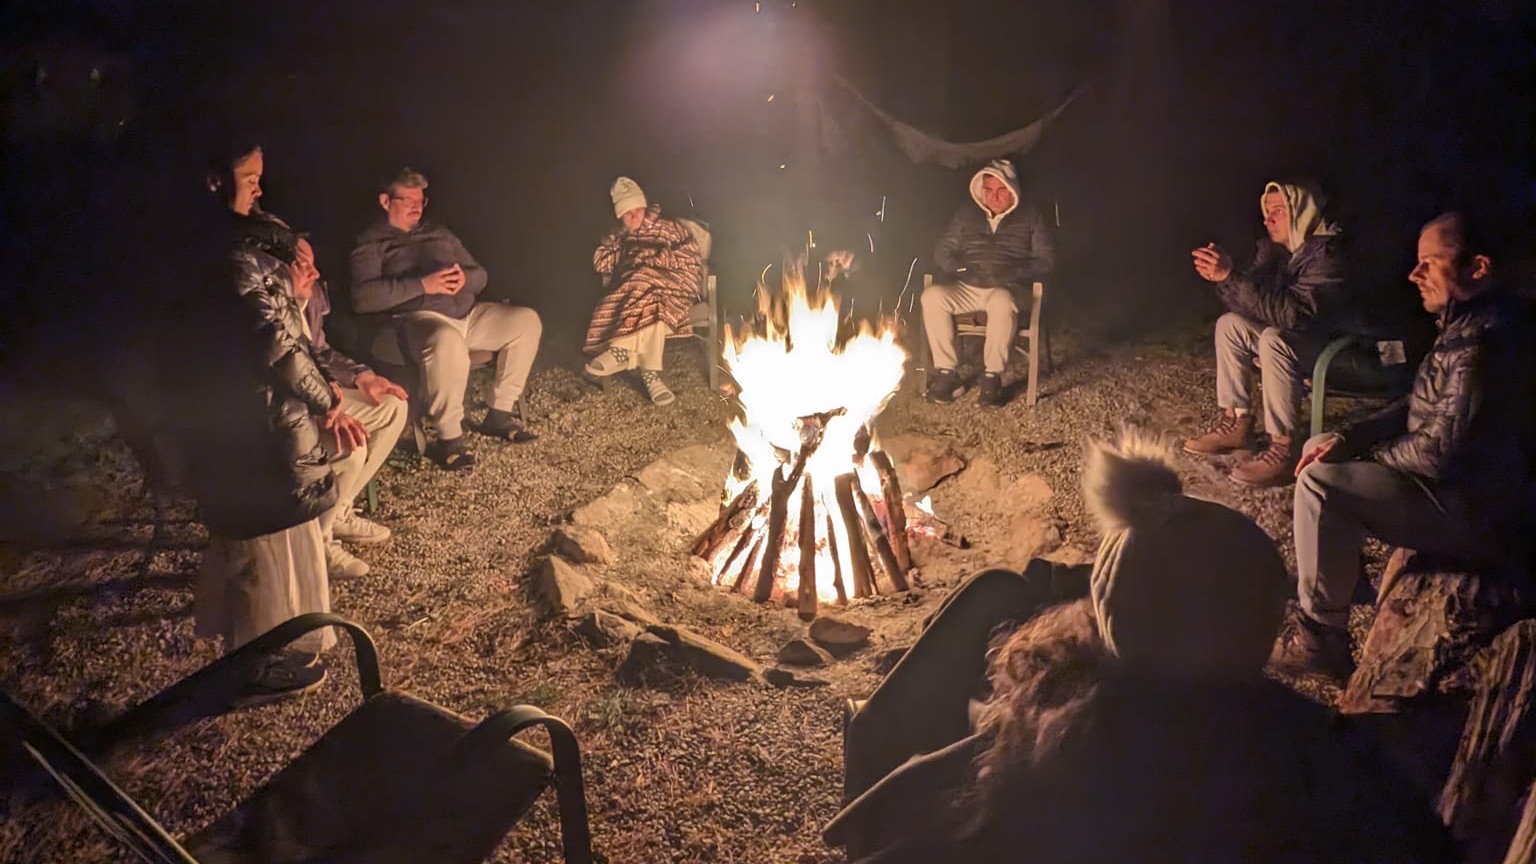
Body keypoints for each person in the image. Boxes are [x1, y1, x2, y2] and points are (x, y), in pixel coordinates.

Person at [825, 430, 1454, 863]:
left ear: (1111, 616)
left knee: (990, 596)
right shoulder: (1315, 749)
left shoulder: (1049, 741)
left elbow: (912, 828)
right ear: (1264, 618)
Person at [1272, 211, 1533, 680]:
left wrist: (1366, 455)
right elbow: (1418, 401)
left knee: (1321, 485)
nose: (1414, 274)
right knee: (1322, 443)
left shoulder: (1487, 344)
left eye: (1430, 262)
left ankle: (1320, 637)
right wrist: (1350, 437)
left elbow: (1438, 453)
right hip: (1462, 491)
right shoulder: (1469, 323)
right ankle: (1341, 577)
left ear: (1478, 267)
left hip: (1481, 514)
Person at [179, 142, 347, 705]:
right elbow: (273, 343)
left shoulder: (251, 243)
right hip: (245, 419)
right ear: (213, 180)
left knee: (284, 535)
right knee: (259, 543)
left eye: (259, 175)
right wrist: (325, 397)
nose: (258, 186)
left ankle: (280, 641)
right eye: (247, 176)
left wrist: (295, 295)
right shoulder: (226, 256)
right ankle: (250, 665)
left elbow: (284, 323)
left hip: (267, 413)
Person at [349, 167, 542, 471]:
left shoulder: (438, 233)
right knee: (445, 340)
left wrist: (465, 279)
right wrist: (422, 285)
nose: (417, 207)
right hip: (415, 321)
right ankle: (450, 439)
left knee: (526, 321)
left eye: (421, 200)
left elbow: (480, 275)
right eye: (409, 200)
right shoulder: (372, 243)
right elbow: (363, 298)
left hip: (466, 314)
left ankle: (499, 414)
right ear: (386, 201)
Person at [1183, 181, 1347, 487]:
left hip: (1338, 351)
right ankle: (1237, 422)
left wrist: (1230, 276)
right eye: (1266, 211)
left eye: (1278, 211)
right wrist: (1225, 279)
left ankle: (1284, 446)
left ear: (1303, 212)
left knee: (1274, 339)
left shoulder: (1329, 255)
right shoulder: (1279, 251)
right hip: (1301, 341)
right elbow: (1253, 308)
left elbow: (1293, 316)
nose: (1268, 219)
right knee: (1230, 324)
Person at [292, 236, 408, 579]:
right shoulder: (264, 309)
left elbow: (321, 352)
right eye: (301, 264)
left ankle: (339, 511)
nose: (313, 272)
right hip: (286, 408)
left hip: (319, 394)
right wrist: (324, 408)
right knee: (350, 447)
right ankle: (318, 544)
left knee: (391, 406)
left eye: (313, 263)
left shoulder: (311, 295)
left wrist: (361, 376)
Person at [921, 158, 1055, 407]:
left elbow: (1046, 260)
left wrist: (1011, 273)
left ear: (1013, 191)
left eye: (1001, 190)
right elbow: (943, 250)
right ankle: (948, 374)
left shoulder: (1031, 217)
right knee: (932, 296)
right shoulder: (967, 215)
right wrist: (962, 270)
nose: (994, 197)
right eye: (989, 190)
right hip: (970, 284)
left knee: (1002, 300)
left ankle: (992, 377)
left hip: (1011, 288)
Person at [584, 176, 704, 406]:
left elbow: (690, 257)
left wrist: (654, 258)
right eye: (627, 214)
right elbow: (602, 264)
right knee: (651, 301)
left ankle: (621, 351)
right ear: (619, 216)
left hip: (674, 287)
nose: (634, 217)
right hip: (642, 296)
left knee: (644, 280)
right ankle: (651, 377)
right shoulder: (622, 236)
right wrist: (612, 241)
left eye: (637, 210)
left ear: (645, 206)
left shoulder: (669, 228)